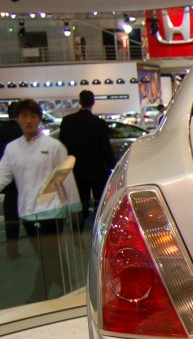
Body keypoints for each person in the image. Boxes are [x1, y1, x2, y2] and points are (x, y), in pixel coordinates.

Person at [0, 99, 81, 302]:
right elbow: (2, 176)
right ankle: (72, 292)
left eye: (33, 116)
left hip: (53, 211)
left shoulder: (54, 146)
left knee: (49, 257)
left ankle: (37, 298)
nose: (28, 120)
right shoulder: (12, 149)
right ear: (17, 119)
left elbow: (66, 179)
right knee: (51, 259)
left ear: (39, 118)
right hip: (27, 212)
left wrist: (75, 208)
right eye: (24, 116)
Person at [58, 89, 115, 223]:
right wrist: (112, 166)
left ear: (80, 101)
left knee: (80, 202)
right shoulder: (99, 123)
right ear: (93, 102)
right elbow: (105, 148)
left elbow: (62, 146)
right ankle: (99, 226)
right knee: (99, 203)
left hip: (76, 169)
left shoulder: (67, 121)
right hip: (97, 169)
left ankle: (79, 231)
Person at [1, 102, 22, 258]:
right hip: (24, 177)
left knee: (10, 213)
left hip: (7, 177)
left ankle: (12, 246)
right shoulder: (24, 131)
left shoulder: (2, 129)